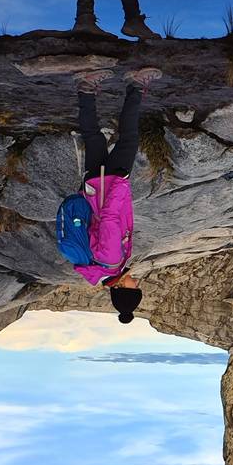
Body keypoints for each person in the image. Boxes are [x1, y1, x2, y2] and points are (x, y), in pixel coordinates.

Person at [70, 66, 162, 323]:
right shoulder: (101, 269)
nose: (137, 281)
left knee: (129, 138)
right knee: (93, 138)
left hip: (108, 185)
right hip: (93, 188)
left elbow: (110, 218)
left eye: (135, 286)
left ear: (121, 287)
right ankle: (85, 88)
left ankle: (135, 84)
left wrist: (121, 184)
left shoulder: (111, 260)